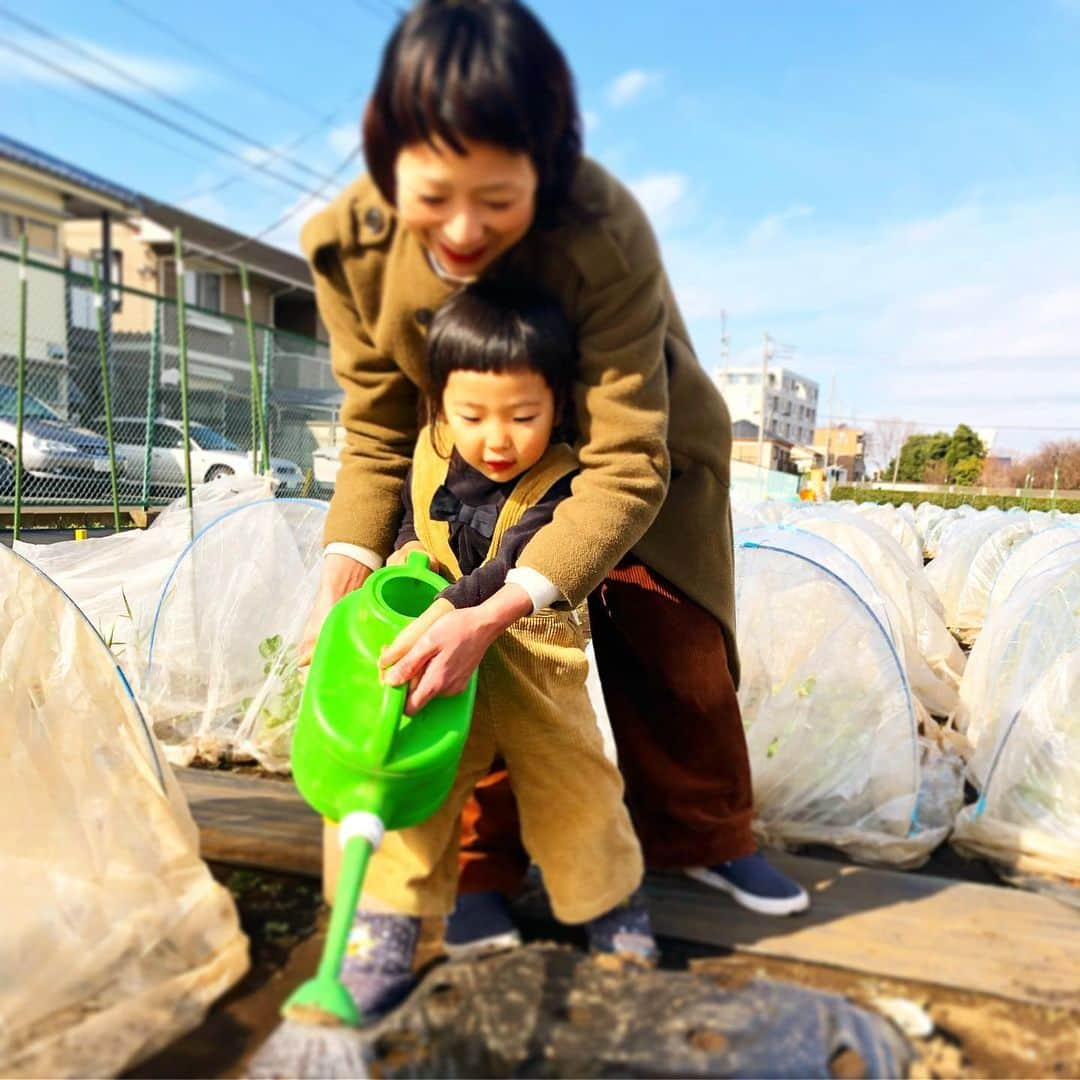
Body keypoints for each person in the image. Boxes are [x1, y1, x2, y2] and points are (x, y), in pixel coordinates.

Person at [301, 0, 808, 966]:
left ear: (549, 165)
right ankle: (484, 872)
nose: (461, 230)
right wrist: (348, 559)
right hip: (470, 464)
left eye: (497, 200)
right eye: (434, 194)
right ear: (386, 159)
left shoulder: (603, 229)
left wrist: (506, 599)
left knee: (677, 654)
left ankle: (702, 837)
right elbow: (373, 422)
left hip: (627, 448)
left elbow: (628, 460)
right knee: (463, 671)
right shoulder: (352, 249)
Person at [337, 281, 656, 1013]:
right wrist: (406, 555)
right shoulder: (429, 451)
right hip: (440, 652)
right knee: (417, 783)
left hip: (535, 653)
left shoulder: (564, 478)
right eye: (472, 415)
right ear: (440, 403)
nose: (498, 437)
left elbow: (506, 566)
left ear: (558, 406)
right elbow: (415, 522)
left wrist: (447, 606)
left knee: (575, 787)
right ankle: (382, 930)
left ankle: (611, 906)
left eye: (523, 415)